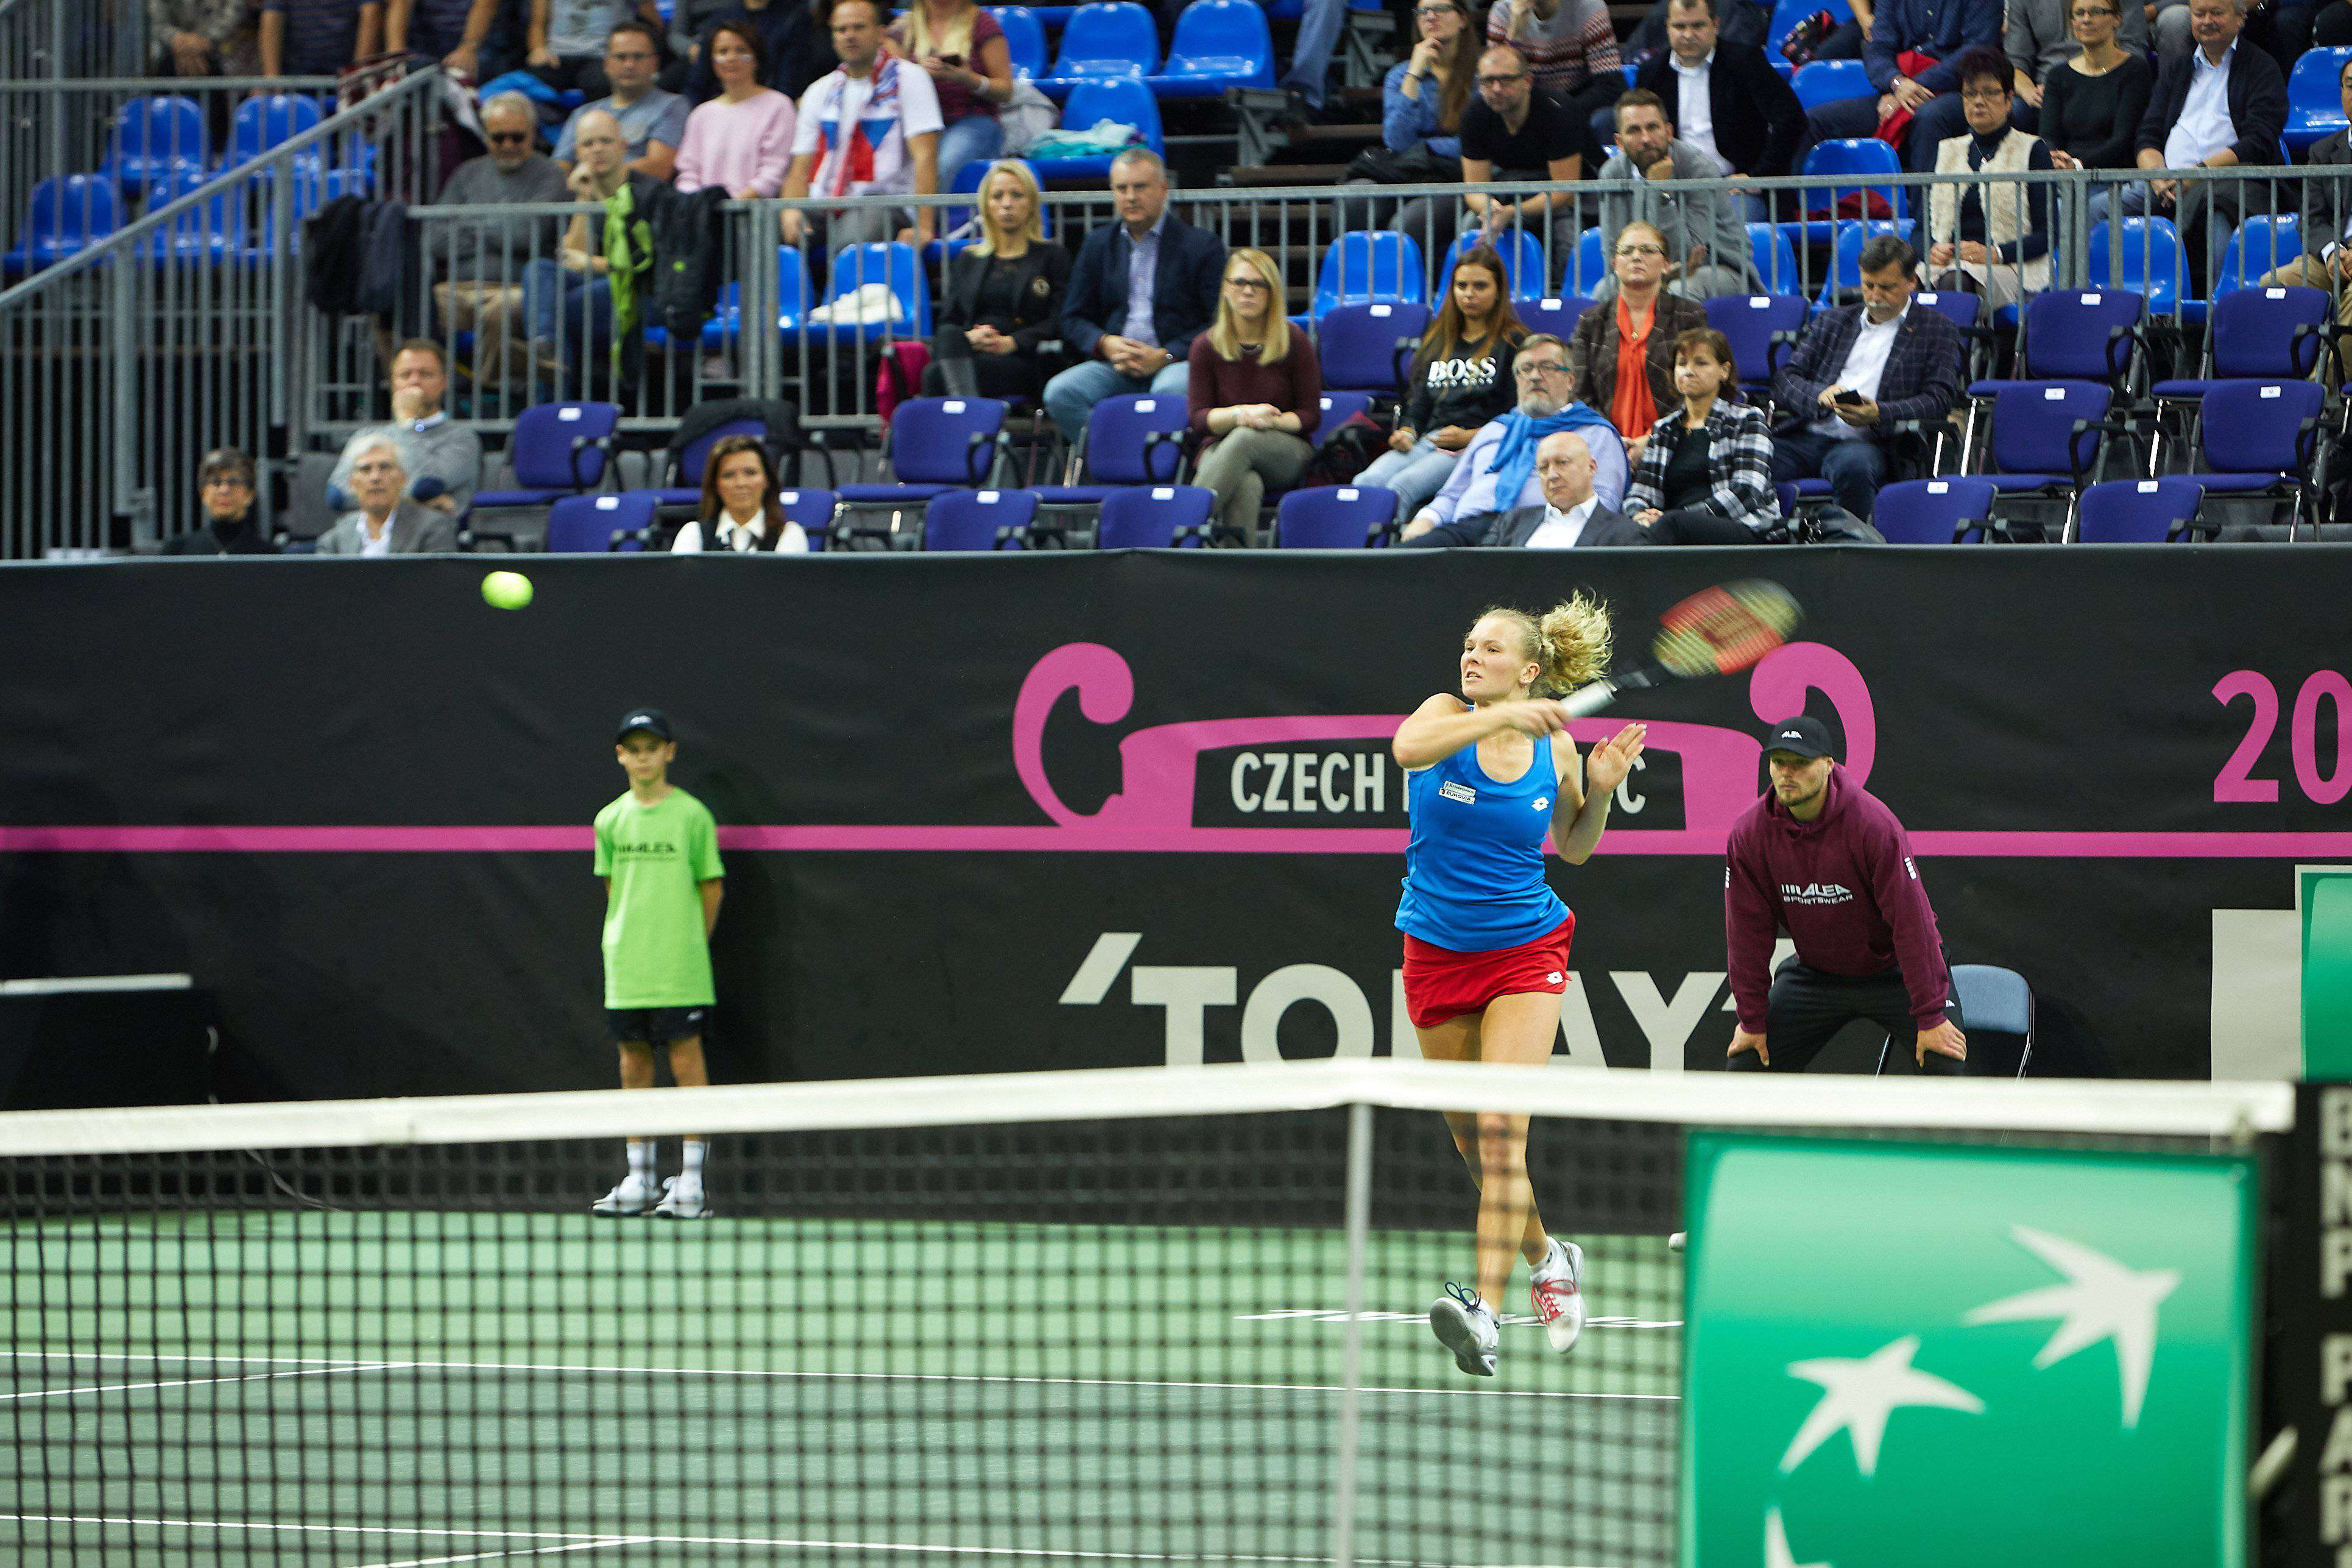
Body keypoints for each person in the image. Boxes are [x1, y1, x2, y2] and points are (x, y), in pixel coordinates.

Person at [1390, 598, 1646, 1377]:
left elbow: (1572, 846)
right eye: (1469, 645)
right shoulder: (1443, 716)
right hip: (1436, 950)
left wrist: (1600, 788)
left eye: (1491, 649)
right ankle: (1548, 1256)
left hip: (1526, 950)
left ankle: (1485, 1314)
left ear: (1530, 669)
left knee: (1503, 1132)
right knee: (1475, 1150)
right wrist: (1500, 718)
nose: (1472, 656)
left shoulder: (1557, 748)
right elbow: (1405, 749)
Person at [1724, 714, 1968, 1076]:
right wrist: (1751, 1020)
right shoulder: (1750, 834)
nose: (1787, 773)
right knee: (1747, 1065)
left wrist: (1931, 1014)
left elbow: (1912, 923)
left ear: (1828, 765)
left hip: (1893, 971)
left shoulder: (1873, 825)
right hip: (1816, 975)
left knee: (1944, 1063)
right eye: (1778, 762)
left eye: (1800, 762)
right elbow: (1747, 934)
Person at [592, 707, 725, 1220]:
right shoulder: (609, 819)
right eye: (634, 750)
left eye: (653, 748)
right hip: (628, 966)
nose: (643, 758)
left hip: (680, 967)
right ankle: (640, 1177)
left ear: (668, 753)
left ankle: (691, 1183)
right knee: (633, 1065)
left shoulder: (692, 816)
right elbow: (615, 890)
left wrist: (688, 943)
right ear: (621, 756)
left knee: (687, 1062)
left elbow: (711, 888)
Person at [1768, 233, 1962, 523]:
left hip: (1875, 443)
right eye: (1868, 285)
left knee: (1853, 466)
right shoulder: (1834, 321)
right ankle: (1763, 538)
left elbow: (1939, 400)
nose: (1874, 296)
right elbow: (1785, 379)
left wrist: (1880, 413)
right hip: (1808, 436)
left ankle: (1849, 544)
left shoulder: (1937, 330)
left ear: (1912, 282)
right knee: (1754, 455)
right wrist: (1819, 395)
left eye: (1886, 287)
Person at [1043, 149, 1224, 447]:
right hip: (1114, 365)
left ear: (1163, 189)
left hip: (1174, 362)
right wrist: (1104, 343)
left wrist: (1166, 355)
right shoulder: (1097, 244)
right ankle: (1115, 458)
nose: (1130, 197)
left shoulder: (1201, 246)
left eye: (1140, 187)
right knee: (1061, 392)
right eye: (1121, 188)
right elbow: (1072, 318)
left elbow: (1216, 324)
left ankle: (1159, 466)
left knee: (1170, 391)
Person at [2123, 0, 2286, 295]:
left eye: (2217, 13)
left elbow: (2259, 141)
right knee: (2098, 207)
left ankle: (2219, 314)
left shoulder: (2262, 67)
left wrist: (2198, 174)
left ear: (2241, 17)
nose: (2206, 20)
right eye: (2199, 14)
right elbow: (2148, 135)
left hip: (2233, 184)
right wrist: (2157, 176)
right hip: (2167, 184)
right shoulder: (2179, 68)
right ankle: (2096, 309)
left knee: (2217, 215)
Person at [1400, 333, 1631, 537]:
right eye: (1526, 369)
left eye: (1547, 367)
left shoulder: (1595, 433)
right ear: (1517, 380)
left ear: (1570, 380)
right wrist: (1424, 521)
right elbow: (1451, 495)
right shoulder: (1495, 429)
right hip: (1468, 531)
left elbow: (1606, 502)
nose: (1535, 376)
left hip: (1540, 533)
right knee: (1405, 557)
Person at [1358, 246, 1526, 522]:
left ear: (1499, 291)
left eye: (1480, 286)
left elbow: (1517, 415)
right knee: (1366, 481)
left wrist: (1471, 437)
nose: (1469, 294)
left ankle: (1390, 549)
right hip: (1430, 440)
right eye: (1462, 286)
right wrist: (1407, 432)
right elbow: (1418, 404)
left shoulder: (1514, 343)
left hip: (1476, 445)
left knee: (1401, 486)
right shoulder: (1438, 339)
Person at [1393, 44, 1581, 269]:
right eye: (1488, 81)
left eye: (1506, 80)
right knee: (1472, 224)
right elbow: (1475, 188)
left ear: (1527, 81)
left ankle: (1565, 290)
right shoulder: (1475, 114)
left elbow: (1565, 191)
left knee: (1568, 239)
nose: (1497, 89)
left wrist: (1513, 212)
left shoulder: (1558, 111)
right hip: (1508, 188)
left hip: (1562, 196)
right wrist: (1490, 208)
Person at [431, 94, 571, 397]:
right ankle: (435, 391)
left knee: (501, 311)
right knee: (414, 306)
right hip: (459, 288)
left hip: (516, 288)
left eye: (517, 137)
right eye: (498, 138)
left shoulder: (550, 174)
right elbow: (435, 240)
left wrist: (470, 222)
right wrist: (502, 226)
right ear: (485, 137)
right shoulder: (466, 174)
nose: (508, 145)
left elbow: (527, 236)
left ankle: (486, 396)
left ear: (533, 135)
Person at [780, 0, 944, 256]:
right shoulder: (819, 91)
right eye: (841, 30)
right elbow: (801, 165)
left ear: (880, 33)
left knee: (851, 240)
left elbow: (925, 155)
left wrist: (923, 226)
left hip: (884, 203)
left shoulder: (909, 78)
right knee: (763, 229)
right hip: (825, 204)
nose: (850, 36)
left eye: (859, 27)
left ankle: (837, 285)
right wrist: (790, 210)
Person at [1188, 248, 1323, 543]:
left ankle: (1180, 531)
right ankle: (1238, 567)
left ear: (1272, 293)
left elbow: (1310, 415)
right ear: (1226, 289)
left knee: (1245, 438)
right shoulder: (1205, 346)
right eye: (1239, 282)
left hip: (1285, 449)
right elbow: (1199, 419)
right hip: (1220, 447)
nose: (1248, 291)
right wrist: (1242, 415)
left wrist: (1270, 422)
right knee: (1247, 484)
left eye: (1259, 284)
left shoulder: (1295, 341)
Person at [524, 110, 663, 385]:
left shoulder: (650, 192)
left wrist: (594, 264)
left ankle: (549, 377)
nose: (597, 150)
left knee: (556, 309)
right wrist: (583, 198)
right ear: (577, 153)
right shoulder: (576, 190)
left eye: (605, 141)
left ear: (623, 146)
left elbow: (651, 261)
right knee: (540, 269)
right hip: (596, 286)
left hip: (641, 290)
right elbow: (572, 258)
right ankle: (544, 345)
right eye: (588, 144)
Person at [1792, 0, 1998, 175]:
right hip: (1899, 89)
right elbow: (1878, 47)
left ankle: (1925, 211)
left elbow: (1976, 52)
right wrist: (1896, 82)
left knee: (1929, 117)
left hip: (1960, 91)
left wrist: (1914, 85)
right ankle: (1789, 209)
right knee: (1812, 121)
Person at [925, 160, 1070, 401]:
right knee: (948, 337)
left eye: (1016, 195)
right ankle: (971, 411)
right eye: (997, 196)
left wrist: (1013, 342)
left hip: (1023, 357)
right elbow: (949, 320)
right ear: (986, 205)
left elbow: (1059, 320)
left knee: (934, 376)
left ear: (1031, 203)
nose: (1007, 204)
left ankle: (965, 414)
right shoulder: (968, 259)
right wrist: (970, 338)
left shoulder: (1052, 256)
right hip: (970, 352)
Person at [1628, 0, 1806, 191]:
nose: (1688, 35)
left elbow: (1792, 119)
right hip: (1674, 187)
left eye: (1698, 26)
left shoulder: (1746, 62)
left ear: (1715, 24)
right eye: (1680, 27)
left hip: (1735, 188)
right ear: (1668, 27)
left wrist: (1759, 177)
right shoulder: (1651, 73)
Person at [1922, 51, 2051, 312]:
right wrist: (1930, 249)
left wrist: (1996, 253)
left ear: (2009, 99)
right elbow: (1920, 225)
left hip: (2013, 267)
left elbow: (2048, 235)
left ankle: (1952, 342)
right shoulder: (1946, 150)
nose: (1979, 101)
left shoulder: (2032, 150)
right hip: (1947, 264)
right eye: (1970, 94)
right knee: (1896, 283)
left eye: (1990, 93)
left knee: (1954, 282)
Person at [1594, 99, 1757, 303]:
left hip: (1720, 268)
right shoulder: (1612, 174)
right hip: (1650, 270)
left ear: (1669, 132)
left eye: (1653, 128)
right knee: (1605, 289)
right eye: (1634, 130)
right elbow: (1613, 252)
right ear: (1619, 142)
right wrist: (1656, 274)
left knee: (1680, 290)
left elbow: (1689, 255)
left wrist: (1661, 194)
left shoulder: (1699, 169)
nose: (1646, 139)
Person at [1569, 220, 1711, 454]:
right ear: (1615, 264)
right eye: (1627, 251)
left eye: (1647, 250)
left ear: (1666, 264)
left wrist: (1656, 439)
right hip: (1602, 443)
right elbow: (1579, 394)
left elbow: (1697, 387)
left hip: (1675, 443)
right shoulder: (1590, 321)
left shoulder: (1689, 316)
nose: (1636, 257)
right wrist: (1611, 437)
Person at [1625, 327, 1779, 543]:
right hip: (1675, 531)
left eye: (1701, 363)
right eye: (1682, 364)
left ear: (1724, 371)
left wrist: (1682, 517)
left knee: (1671, 526)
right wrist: (1639, 514)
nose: (1688, 371)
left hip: (1745, 528)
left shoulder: (1748, 419)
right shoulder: (1664, 429)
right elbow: (1640, 493)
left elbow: (1747, 492)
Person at [2257, 55, 2352, 378]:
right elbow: (2311, 219)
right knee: (2274, 283)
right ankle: (2271, 381)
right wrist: (2333, 252)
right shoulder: (2323, 151)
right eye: (2351, 86)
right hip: (2334, 257)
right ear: (2341, 93)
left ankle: (2317, 391)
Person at [1401, 428, 1650, 545]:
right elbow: (1482, 577)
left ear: (1592, 467)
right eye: (1543, 468)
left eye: (1562, 463)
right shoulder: (1510, 524)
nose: (1552, 475)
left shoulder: (1625, 534)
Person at [328, 341, 482, 515]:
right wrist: (410, 501)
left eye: (425, 374)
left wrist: (408, 422)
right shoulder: (367, 436)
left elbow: (427, 485)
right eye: (405, 375)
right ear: (394, 383)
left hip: (431, 533)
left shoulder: (461, 438)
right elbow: (337, 496)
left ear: (444, 382)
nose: (414, 381)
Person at [885, 0, 1012, 191]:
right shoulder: (901, 29)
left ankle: (922, 212)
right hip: (916, 124)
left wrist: (969, 79)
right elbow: (887, 82)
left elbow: (1005, 91)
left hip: (971, 119)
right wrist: (917, 73)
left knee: (942, 166)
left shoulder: (983, 24)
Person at [1485, 0, 1622, 172]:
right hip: (1524, 102)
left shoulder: (1589, 8)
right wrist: (1515, 35)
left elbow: (1611, 86)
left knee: (1602, 119)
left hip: (1578, 100)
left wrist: (1556, 113)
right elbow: (1496, 80)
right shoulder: (1504, 11)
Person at [553, 21, 690, 182]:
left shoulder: (673, 105)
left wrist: (595, 177)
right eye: (621, 57)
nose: (630, 65)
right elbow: (559, 169)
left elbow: (659, 168)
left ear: (655, 63)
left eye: (638, 57)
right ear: (606, 64)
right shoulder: (582, 114)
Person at [673, 23, 796, 196]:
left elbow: (775, 168)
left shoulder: (779, 105)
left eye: (741, 51)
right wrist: (698, 203)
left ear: (757, 58)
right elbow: (688, 172)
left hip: (758, 208)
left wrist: (739, 202)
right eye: (723, 52)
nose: (731, 58)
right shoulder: (701, 114)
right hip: (705, 209)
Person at [2037, 0, 2155, 176]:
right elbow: (2048, 137)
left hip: (2116, 177)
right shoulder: (2058, 75)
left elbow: (2124, 139)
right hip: (2065, 176)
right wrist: (2057, 160)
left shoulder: (2135, 70)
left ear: (2117, 19)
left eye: (2097, 12)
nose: (2086, 19)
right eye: (2079, 13)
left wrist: (2078, 164)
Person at [2003, 0, 2145, 133]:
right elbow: (2016, 62)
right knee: (2013, 111)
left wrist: (2091, 81)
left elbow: (2133, 49)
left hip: (2107, 77)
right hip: (2047, 87)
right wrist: (2030, 92)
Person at [315, 439, 461, 553]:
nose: (375, 477)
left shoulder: (433, 527)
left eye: (385, 467)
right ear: (352, 483)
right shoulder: (337, 537)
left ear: (403, 479)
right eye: (366, 469)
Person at [671, 434, 810, 550]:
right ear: (715, 485)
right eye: (729, 475)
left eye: (751, 473)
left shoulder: (790, 535)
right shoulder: (693, 534)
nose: (741, 483)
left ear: (767, 480)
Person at [680, 0, 828, 101]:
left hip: (770, 106)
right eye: (725, 52)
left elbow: (789, 83)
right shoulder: (721, 19)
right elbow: (697, 83)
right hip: (721, 105)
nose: (732, 57)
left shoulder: (795, 18)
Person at [530, 0, 666, 97]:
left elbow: (652, 22)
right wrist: (538, 50)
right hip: (556, 56)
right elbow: (537, 23)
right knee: (526, 84)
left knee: (603, 84)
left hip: (603, 56)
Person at [166, 447, 278, 554]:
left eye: (233, 482)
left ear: (250, 494)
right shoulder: (176, 552)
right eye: (216, 482)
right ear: (203, 492)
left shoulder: (269, 555)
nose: (224, 490)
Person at [260, 0, 381, 79]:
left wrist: (358, 74)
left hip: (344, 76)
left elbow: (371, 13)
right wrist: (272, 77)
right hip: (296, 78)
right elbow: (271, 18)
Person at [151, 0, 260, 78]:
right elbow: (158, 24)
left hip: (225, 59)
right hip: (172, 55)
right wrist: (178, 39)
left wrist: (199, 42)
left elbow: (234, 14)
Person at [385, 0, 496, 71]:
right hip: (422, 45)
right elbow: (400, 3)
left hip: (474, 44)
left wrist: (468, 49)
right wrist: (396, 54)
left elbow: (486, 4)